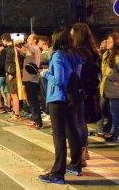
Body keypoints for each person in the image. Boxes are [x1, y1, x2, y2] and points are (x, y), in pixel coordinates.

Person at [39, 26, 83, 184]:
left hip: (58, 98)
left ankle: (58, 173)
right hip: (72, 98)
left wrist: (45, 74)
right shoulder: (75, 54)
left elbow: (58, 80)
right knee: (72, 131)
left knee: (59, 136)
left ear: (57, 39)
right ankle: (76, 165)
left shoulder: (58, 55)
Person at [71, 23, 101, 166]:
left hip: (80, 90)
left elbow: (79, 73)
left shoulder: (79, 51)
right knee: (81, 122)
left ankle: (81, 153)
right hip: (90, 89)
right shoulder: (93, 50)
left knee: (78, 122)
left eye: (72, 32)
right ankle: (85, 149)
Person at [19, 34, 42, 130]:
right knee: (30, 100)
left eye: (29, 38)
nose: (28, 39)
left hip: (32, 78)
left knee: (33, 100)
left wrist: (24, 43)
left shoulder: (35, 48)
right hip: (27, 78)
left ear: (34, 40)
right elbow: (25, 52)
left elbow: (30, 49)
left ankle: (38, 122)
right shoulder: (30, 50)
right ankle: (33, 118)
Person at [99, 33, 119, 142]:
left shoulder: (117, 57)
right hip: (104, 87)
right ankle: (103, 129)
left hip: (114, 88)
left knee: (114, 111)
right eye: (107, 41)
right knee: (101, 108)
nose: (107, 43)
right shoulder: (106, 54)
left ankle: (113, 132)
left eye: (110, 41)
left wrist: (111, 77)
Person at [1, 33, 21, 122]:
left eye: (2, 40)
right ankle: (14, 112)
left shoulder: (11, 50)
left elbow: (13, 62)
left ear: (5, 40)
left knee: (14, 94)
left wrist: (11, 73)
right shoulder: (11, 49)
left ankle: (17, 115)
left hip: (11, 74)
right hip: (9, 73)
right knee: (12, 94)